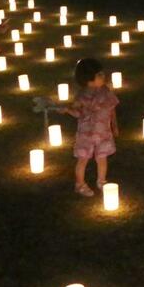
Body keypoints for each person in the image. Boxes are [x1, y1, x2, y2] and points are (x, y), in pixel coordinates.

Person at [58, 58, 119, 197]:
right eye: (99, 75)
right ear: (88, 79)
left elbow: (112, 108)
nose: (103, 76)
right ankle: (80, 184)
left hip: (103, 132)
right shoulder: (82, 96)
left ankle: (101, 181)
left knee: (102, 158)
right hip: (86, 134)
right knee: (83, 159)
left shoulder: (106, 91)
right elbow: (78, 113)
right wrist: (67, 110)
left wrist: (114, 125)